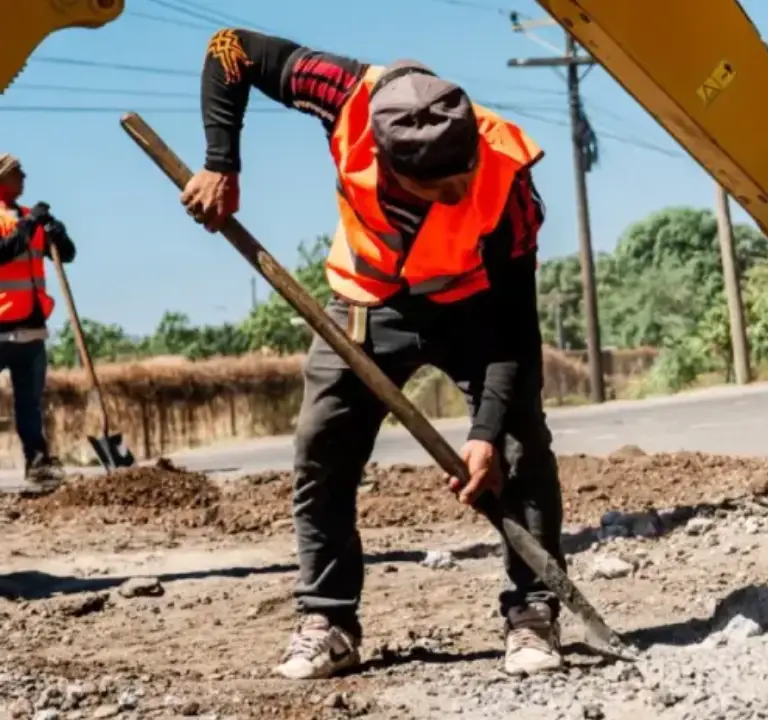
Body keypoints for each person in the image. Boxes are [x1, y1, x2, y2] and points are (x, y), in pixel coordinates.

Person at [181, 28, 568, 679]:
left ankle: (532, 611)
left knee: (520, 445)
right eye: (439, 188)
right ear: (390, 166)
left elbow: (514, 329)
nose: (458, 191)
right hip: (367, 303)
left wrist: (482, 433)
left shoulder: (503, 173)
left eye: (463, 173)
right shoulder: (345, 96)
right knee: (321, 445)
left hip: (477, 311)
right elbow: (229, 48)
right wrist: (221, 161)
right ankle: (328, 619)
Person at [0, 153, 76, 486]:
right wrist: (30, 226)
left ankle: (38, 464)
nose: (24, 178)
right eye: (18, 173)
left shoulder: (31, 218)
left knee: (30, 405)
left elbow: (68, 255)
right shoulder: (18, 222)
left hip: (32, 330)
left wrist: (57, 233)